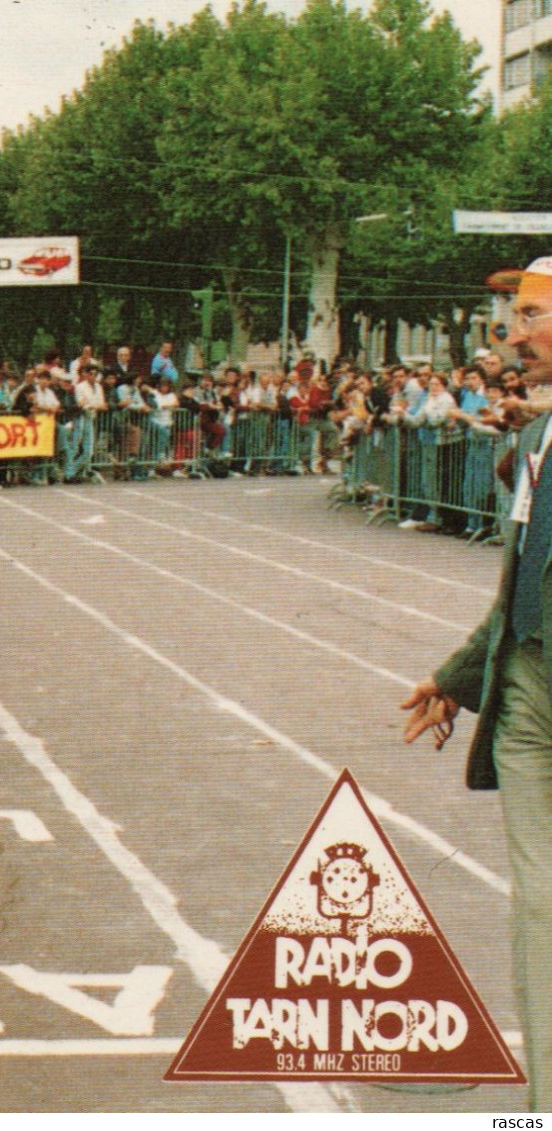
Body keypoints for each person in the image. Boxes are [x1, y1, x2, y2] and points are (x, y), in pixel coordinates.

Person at [401, 255, 552, 1113]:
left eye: (529, 315)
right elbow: (520, 576)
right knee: (540, 904)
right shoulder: (532, 442)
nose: (511, 334)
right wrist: (458, 677)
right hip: (527, 692)